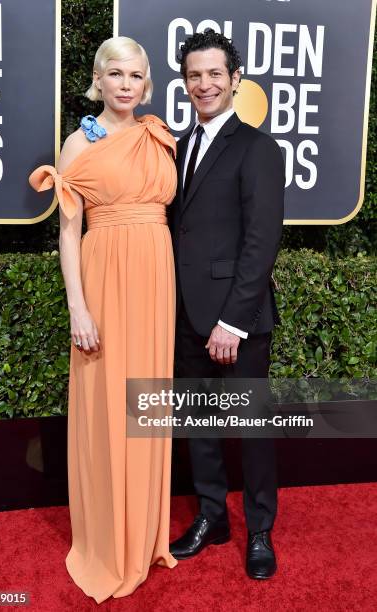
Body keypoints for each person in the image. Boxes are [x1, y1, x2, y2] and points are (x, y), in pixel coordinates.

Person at [29, 36, 178, 603]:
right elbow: (69, 232)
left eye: (136, 76)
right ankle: (107, 542)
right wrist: (78, 306)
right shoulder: (78, 144)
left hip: (155, 280)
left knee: (148, 403)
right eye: (115, 74)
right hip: (105, 277)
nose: (125, 85)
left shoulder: (159, 135)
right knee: (107, 406)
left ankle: (143, 537)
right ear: (98, 79)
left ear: (146, 83)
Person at [168, 30, 285, 579]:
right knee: (200, 423)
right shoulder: (180, 143)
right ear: (185, 82)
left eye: (215, 73)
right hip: (185, 312)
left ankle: (260, 529)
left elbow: (261, 241)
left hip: (238, 320)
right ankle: (213, 516)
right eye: (194, 75)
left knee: (254, 428)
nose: (204, 84)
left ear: (235, 80)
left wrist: (232, 323)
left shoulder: (258, 147)